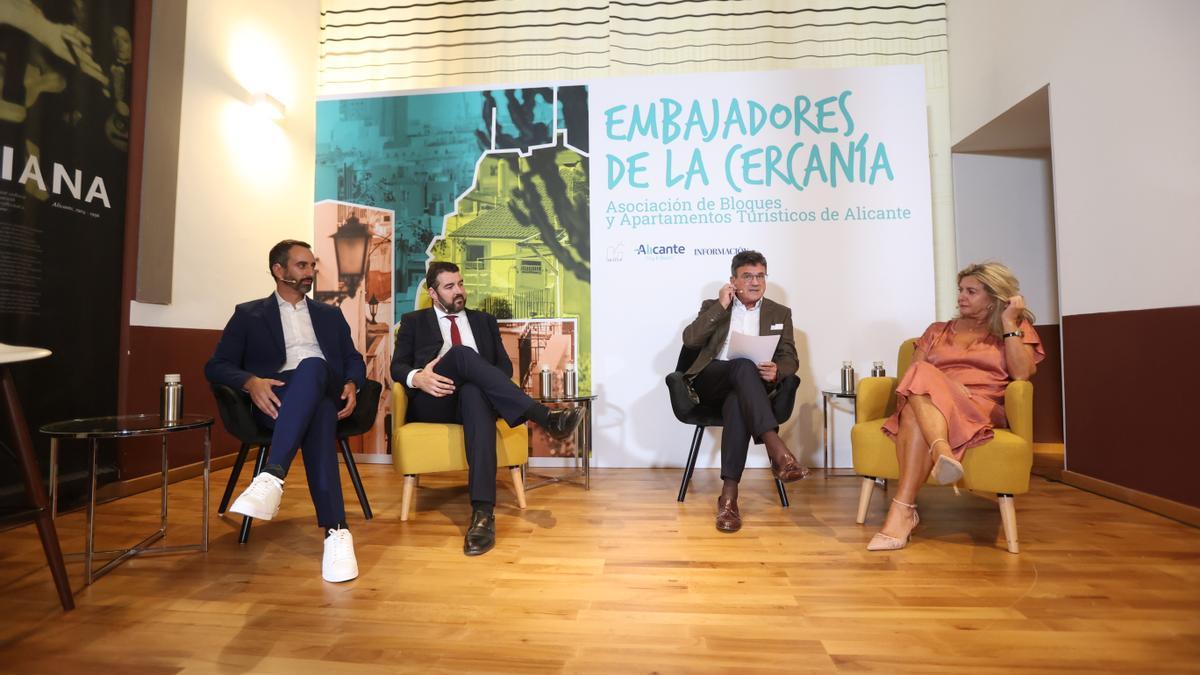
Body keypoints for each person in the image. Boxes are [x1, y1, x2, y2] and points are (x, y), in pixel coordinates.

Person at [391, 262, 584, 556]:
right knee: (459, 354)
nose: (459, 291)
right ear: (432, 292)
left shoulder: (483, 321)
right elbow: (398, 366)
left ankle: (482, 515)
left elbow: (504, 367)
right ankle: (544, 417)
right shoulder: (414, 321)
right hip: (435, 399)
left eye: (461, 284)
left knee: (472, 392)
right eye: (450, 286)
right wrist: (418, 377)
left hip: (474, 399)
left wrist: (478, 377)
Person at [205, 240, 365, 582]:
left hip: (323, 383)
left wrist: (352, 382)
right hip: (278, 403)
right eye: (302, 266)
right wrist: (250, 382)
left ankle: (273, 474)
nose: (311, 272)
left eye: (312, 266)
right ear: (279, 270)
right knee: (319, 411)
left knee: (313, 366)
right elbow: (216, 365)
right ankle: (337, 531)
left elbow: (352, 358)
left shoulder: (329, 314)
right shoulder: (249, 314)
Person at [869, 261, 1044, 551]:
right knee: (918, 392)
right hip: (928, 405)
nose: (961, 296)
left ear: (994, 298)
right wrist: (944, 387)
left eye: (971, 291)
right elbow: (912, 378)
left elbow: (1022, 373)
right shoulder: (937, 330)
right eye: (960, 290)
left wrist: (1010, 323)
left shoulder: (1013, 328)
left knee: (923, 383)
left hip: (980, 406)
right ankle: (928, 473)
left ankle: (906, 509)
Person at [680, 250, 809, 533]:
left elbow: (790, 358)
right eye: (747, 276)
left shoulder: (779, 312)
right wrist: (721, 306)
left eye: (760, 276)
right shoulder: (714, 305)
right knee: (739, 365)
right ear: (733, 281)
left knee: (738, 399)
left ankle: (728, 500)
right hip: (712, 381)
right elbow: (690, 341)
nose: (754, 282)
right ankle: (778, 451)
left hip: (749, 389)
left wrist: (778, 369)